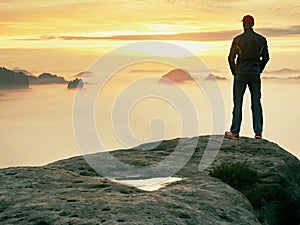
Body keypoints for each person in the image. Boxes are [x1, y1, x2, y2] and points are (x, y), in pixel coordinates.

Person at [225, 15, 269, 140]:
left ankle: (234, 132)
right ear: (253, 24)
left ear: (243, 24)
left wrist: (235, 72)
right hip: (254, 73)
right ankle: (258, 132)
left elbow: (231, 58)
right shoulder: (261, 40)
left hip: (241, 73)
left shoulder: (237, 40)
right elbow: (266, 58)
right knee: (256, 103)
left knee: (238, 103)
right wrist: (258, 70)